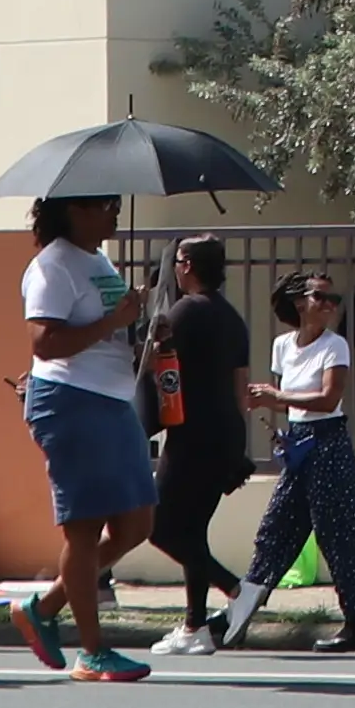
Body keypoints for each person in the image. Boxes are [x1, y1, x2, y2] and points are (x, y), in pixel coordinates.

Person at [13, 190, 159, 679]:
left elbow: (107, 330)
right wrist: (113, 321)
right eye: (105, 205)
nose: (115, 212)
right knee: (84, 529)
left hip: (113, 402)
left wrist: (136, 330)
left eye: (116, 204)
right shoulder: (53, 266)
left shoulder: (98, 260)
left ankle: (46, 607)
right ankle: (92, 653)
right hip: (71, 402)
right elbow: (46, 342)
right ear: (74, 211)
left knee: (137, 523)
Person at [213, 270, 355, 654]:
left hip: (328, 442)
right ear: (299, 303)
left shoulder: (335, 346)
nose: (330, 305)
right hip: (299, 443)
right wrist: (273, 409)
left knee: (339, 533)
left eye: (332, 299)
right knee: (276, 529)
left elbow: (327, 400)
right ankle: (242, 606)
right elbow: (282, 400)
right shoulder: (283, 345)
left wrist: (276, 396)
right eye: (321, 297)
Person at [142, 235, 253, 654]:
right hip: (226, 436)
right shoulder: (231, 317)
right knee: (192, 531)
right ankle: (195, 627)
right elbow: (241, 388)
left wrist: (150, 337)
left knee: (158, 526)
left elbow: (161, 370)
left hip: (191, 436)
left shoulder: (185, 311)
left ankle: (236, 589)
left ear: (185, 264)